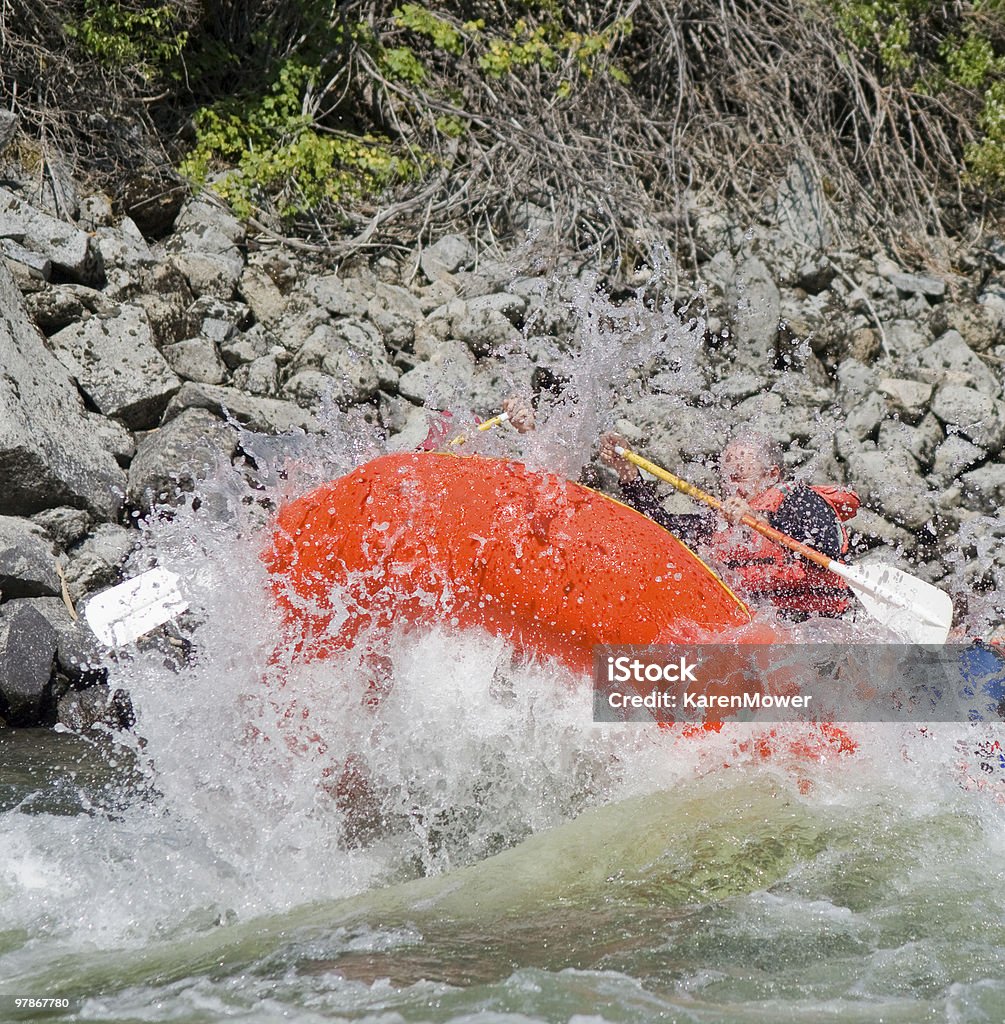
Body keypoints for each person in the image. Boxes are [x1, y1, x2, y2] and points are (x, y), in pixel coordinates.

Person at [595, 429, 861, 620]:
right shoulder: (721, 524)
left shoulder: (798, 498)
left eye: (740, 476)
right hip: (771, 630)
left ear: (771, 475)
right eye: (727, 478)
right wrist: (629, 475)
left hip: (823, 625)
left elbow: (827, 548)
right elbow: (660, 529)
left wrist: (759, 519)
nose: (731, 486)